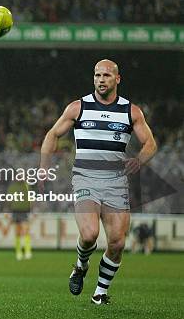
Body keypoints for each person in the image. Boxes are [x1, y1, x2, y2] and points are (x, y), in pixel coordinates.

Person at [40, 59, 157, 305]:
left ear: (117, 79)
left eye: (105, 75)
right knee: (90, 234)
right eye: (96, 75)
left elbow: (150, 144)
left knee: (117, 242)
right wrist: (43, 167)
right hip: (85, 178)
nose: (100, 79)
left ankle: (100, 293)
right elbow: (53, 134)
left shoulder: (131, 111)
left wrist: (138, 160)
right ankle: (81, 265)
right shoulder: (77, 107)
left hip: (116, 182)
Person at [6, 179, 32, 260]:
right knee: (18, 232)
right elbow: (9, 199)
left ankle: (27, 251)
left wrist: (33, 210)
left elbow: (31, 199)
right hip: (16, 211)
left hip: (24, 211)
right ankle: (18, 252)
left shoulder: (27, 186)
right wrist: (7, 211)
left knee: (25, 231)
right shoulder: (13, 187)